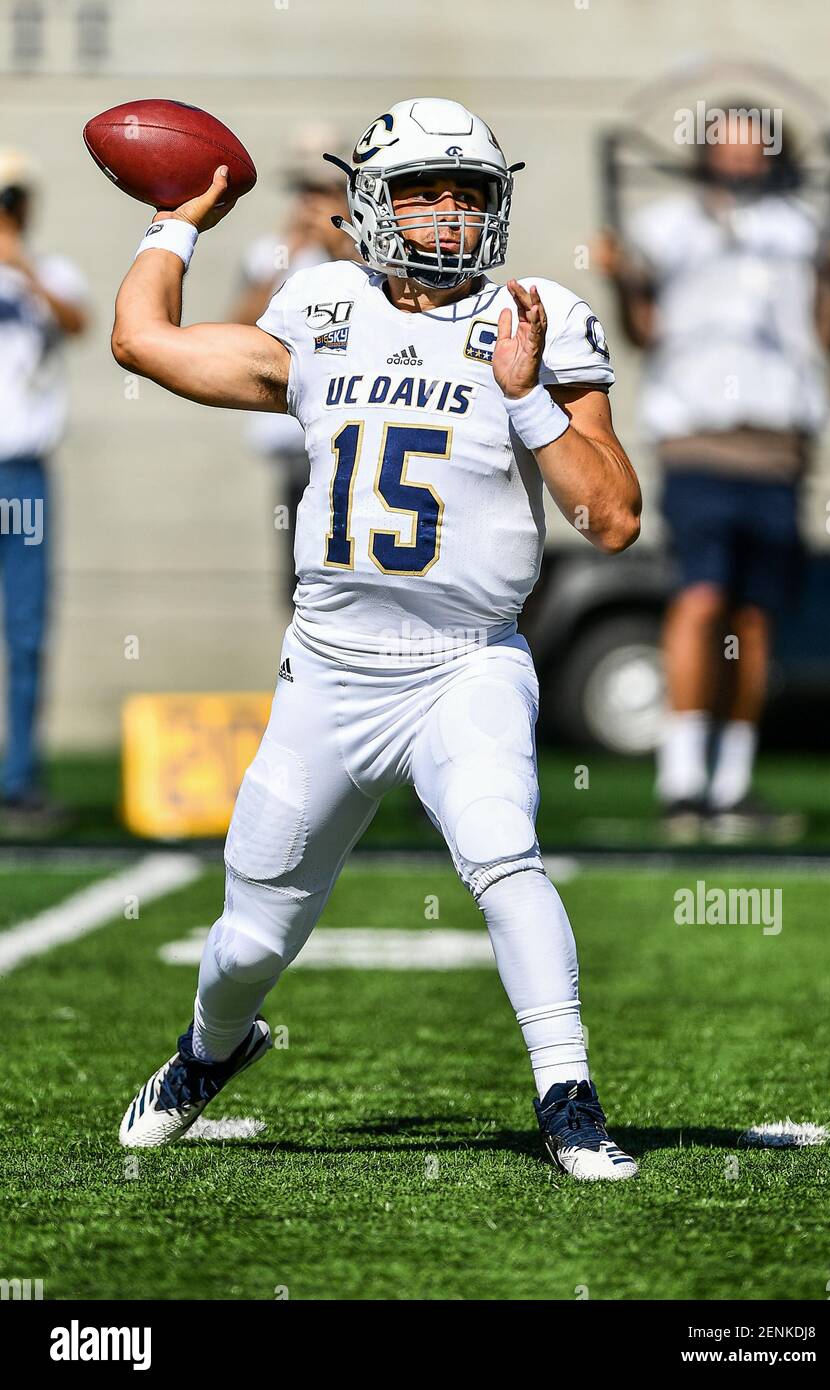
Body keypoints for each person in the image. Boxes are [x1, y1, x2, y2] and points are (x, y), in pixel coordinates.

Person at [111, 99, 642, 1181]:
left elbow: (612, 517)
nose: (448, 214)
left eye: (469, 192)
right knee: (252, 935)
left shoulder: (536, 314)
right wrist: (176, 222)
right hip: (329, 674)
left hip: (466, 661)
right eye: (421, 190)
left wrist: (528, 397)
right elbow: (144, 341)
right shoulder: (320, 302)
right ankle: (209, 1051)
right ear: (368, 200)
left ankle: (568, 1095)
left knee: (503, 851)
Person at [599, 107, 830, 842]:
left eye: (755, 151)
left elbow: (829, 337)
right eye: (730, 150)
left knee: (754, 618)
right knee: (703, 598)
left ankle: (730, 784)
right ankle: (681, 783)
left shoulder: (802, 227)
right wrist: (621, 281)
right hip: (699, 443)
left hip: (779, 447)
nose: (742, 164)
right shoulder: (668, 227)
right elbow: (645, 334)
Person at [0, 149, 88, 830]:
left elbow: (80, 323)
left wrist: (19, 266)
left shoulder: (49, 274)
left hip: (21, 474)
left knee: (27, 629)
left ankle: (20, 777)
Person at [229, 126, 352, 600]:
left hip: (352, 426)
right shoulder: (270, 254)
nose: (310, 202)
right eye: (304, 190)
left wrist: (339, 241)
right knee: (301, 574)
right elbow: (238, 329)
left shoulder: (364, 249)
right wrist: (288, 254)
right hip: (294, 439)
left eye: (322, 189)